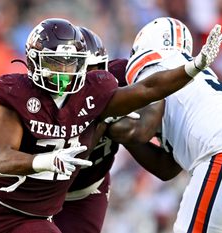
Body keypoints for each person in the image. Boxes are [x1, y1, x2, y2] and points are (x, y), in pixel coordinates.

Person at [0, 17, 222, 233]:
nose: (68, 75)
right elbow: (1, 158)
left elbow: (149, 90)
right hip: (8, 196)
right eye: (58, 63)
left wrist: (195, 66)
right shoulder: (17, 94)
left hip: (66, 199)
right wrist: (46, 160)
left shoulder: (100, 89)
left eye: (74, 65)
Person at [124, 16, 222, 233]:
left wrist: (108, 118)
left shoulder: (156, 64)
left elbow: (141, 130)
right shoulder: (194, 76)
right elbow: (167, 168)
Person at [53, 26, 182, 233]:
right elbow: (66, 167)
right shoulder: (36, 101)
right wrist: (103, 121)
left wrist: (121, 129)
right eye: (74, 71)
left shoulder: (118, 79)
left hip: (86, 192)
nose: (85, 81)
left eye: (92, 70)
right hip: (36, 189)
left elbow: (166, 168)